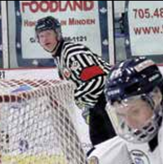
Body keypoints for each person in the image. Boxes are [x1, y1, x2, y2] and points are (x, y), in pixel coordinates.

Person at [35, 16, 116, 146]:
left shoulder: (72, 52)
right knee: (101, 146)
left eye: (48, 34)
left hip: (110, 100)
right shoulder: (59, 55)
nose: (45, 39)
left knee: (110, 145)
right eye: (41, 36)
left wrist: (72, 96)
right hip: (99, 104)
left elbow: (98, 80)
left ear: (58, 34)